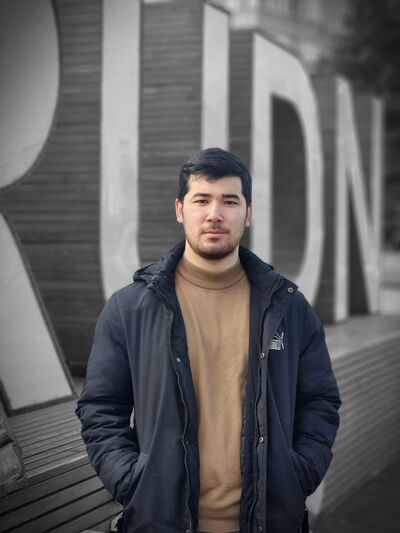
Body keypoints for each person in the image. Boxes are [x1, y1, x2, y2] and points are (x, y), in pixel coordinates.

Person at [76, 148, 340, 533]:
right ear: (180, 210)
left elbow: (319, 399)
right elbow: (101, 407)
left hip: (270, 521)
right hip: (160, 522)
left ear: (247, 214)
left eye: (229, 201)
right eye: (201, 200)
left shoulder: (288, 307)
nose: (215, 214)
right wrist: (132, 482)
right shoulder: (129, 309)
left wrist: (298, 474)